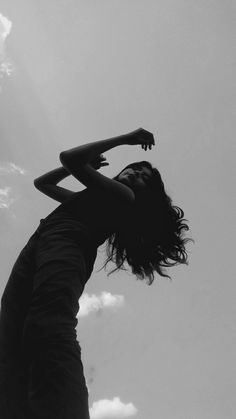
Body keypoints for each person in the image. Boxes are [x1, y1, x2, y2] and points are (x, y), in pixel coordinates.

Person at [0, 128, 193, 418]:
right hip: (40, 243)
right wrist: (87, 168)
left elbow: (69, 158)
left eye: (144, 176)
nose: (136, 174)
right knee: (11, 327)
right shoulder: (87, 198)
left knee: (48, 322)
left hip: (67, 246)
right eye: (133, 168)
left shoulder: (123, 196)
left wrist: (124, 139)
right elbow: (43, 183)